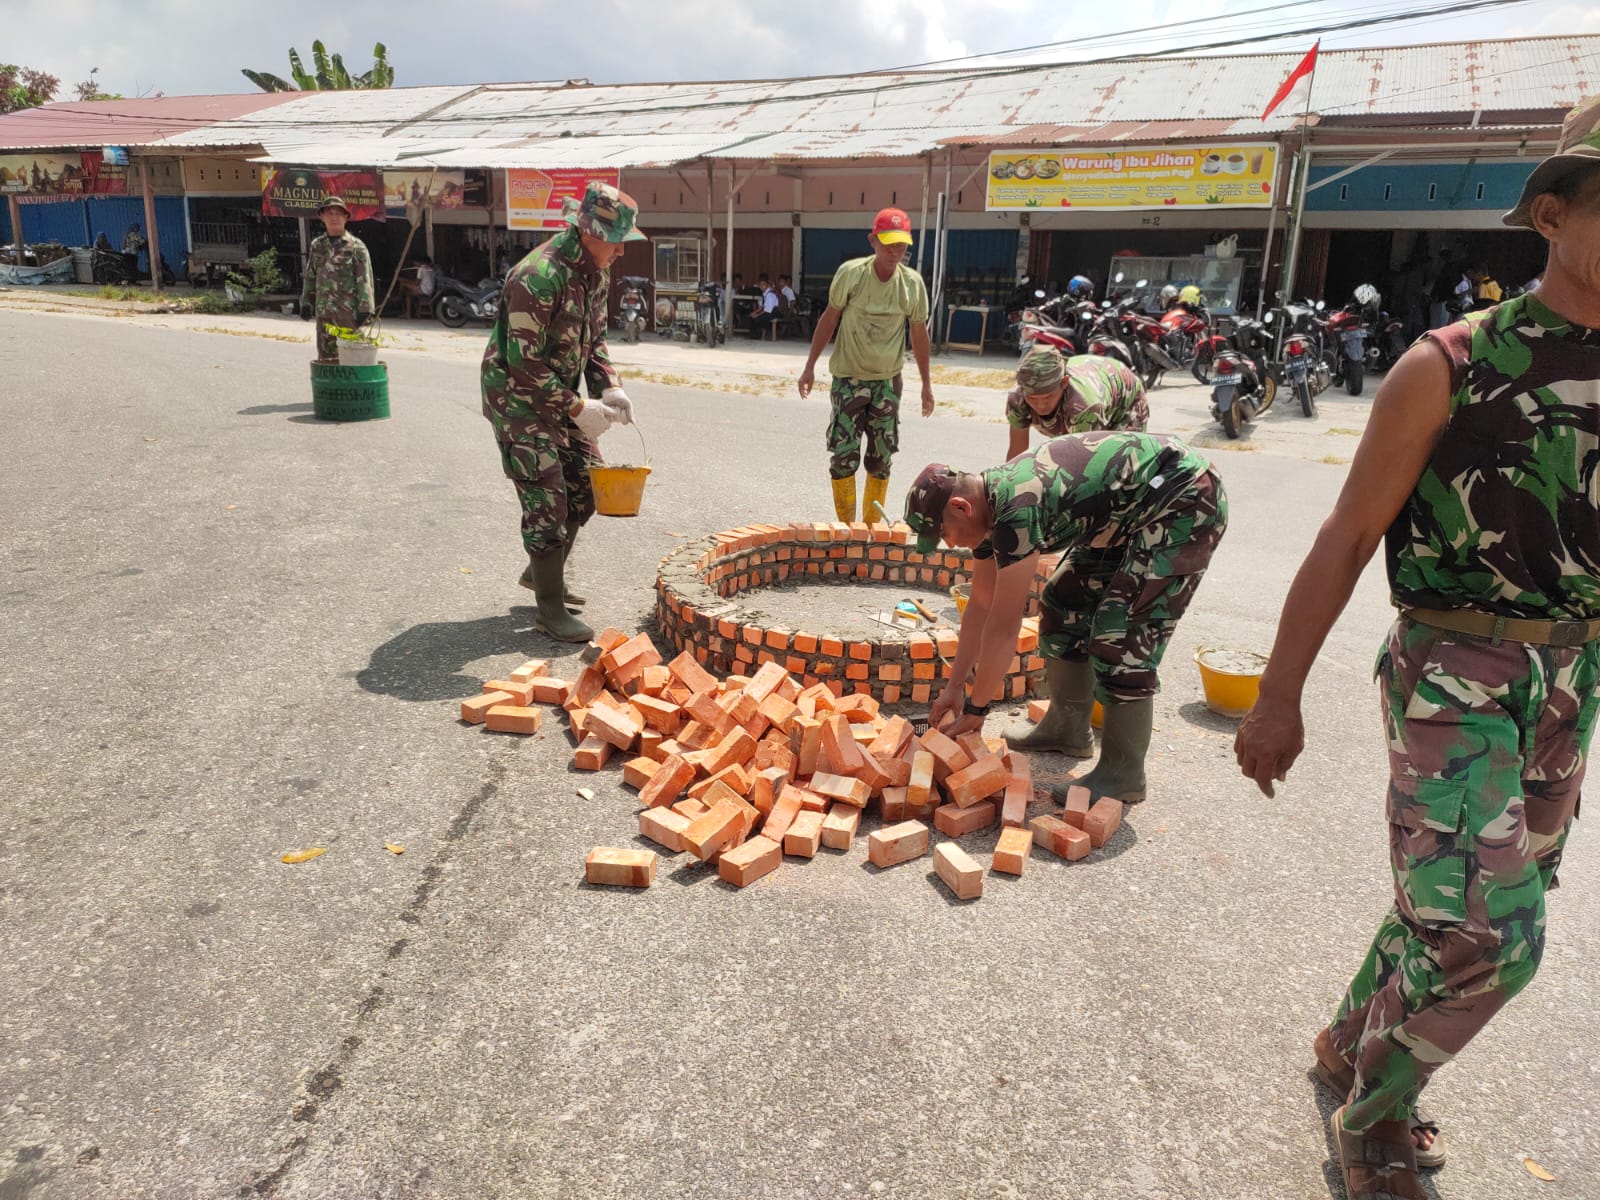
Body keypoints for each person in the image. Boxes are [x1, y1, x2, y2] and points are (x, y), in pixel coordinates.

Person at [1233, 95, 1600, 1200]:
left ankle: (1351, 1040)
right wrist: (1274, 699)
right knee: (1492, 932)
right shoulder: (1450, 362)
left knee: (1451, 904)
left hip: (1569, 678)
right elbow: (1346, 537)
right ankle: (1375, 1117)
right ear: (1550, 213)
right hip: (1455, 667)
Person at [904, 432, 1227, 799]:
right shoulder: (988, 515)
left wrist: (977, 709)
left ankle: (1123, 773)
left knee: (1120, 634)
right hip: (1127, 514)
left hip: (1182, 498)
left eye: (943, 532)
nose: (948, 543)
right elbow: (980, 606)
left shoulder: (1017, 508)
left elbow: (1003, 626)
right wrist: (954, 688)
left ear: (962, 507)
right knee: (1064, 601)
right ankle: (1068, 728)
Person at [481, 180, 644, 643]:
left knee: (589, 485)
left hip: (558, 395)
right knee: (547, 497)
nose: (621, 253)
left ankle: (541, 573)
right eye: (617, 242)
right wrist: (575, 405)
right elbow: (522, 362)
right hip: (516, 398)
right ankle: (549, 607)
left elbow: (593, 341)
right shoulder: (538, 276)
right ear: (590, 232)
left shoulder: (597, 270)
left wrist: (609, 387)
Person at [797, 207, 934, 524]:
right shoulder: (852, 274)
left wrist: (927, 386)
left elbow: (919, 333)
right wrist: (809, 367)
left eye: (901, 245)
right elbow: (829, 319)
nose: (894, 252)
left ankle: (871, 531)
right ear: (873, 240)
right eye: (888, 244)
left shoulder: (912, 285)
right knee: (844, 456)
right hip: (848, 379)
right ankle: (847, 529)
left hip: (887, 383)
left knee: (881, 459)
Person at [1005, 346, 1149, 461]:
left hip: (1124, 398)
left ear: (1064, 383)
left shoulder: (1085, 406)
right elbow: (1018, 452)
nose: (1041, 405)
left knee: (1121, 462)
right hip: (1089, 379)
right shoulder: (1017, 399)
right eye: (1033, 398)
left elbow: (1086, 463)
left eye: (1048, 397)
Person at [299, 198, 375, 362]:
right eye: (330, 213)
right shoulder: (317, 246)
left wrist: (366, 309)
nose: (334, 217)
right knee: (326, 360)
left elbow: (365, 279)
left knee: (351, 358)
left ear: (346, 217)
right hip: (324, 314)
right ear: (322, 217)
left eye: (338, 214)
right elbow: (310, 276)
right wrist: (306, 303)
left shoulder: (356, 247)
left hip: (348, 315)